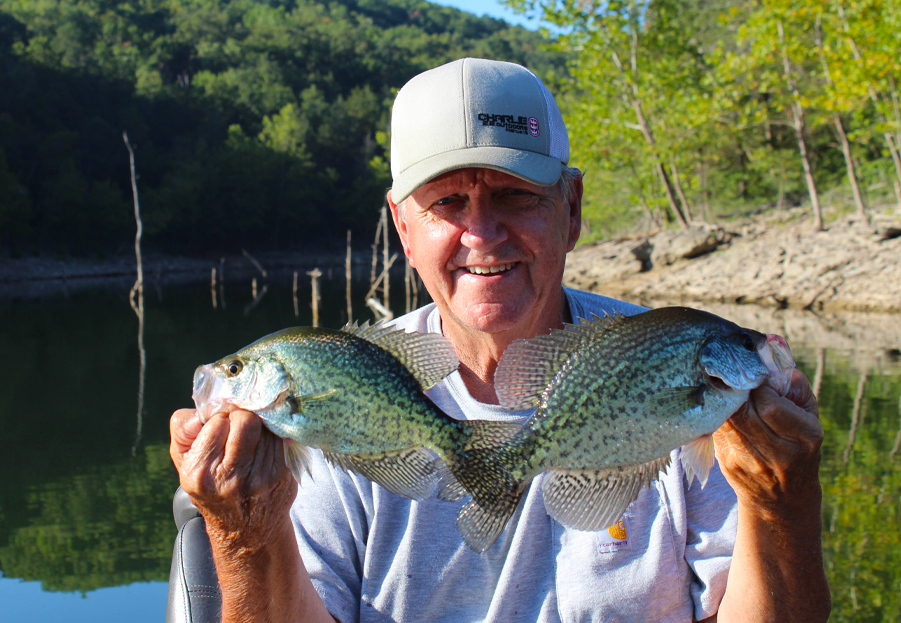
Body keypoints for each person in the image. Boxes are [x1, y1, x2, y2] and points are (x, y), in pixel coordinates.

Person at [169, 58, 830, 622]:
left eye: (515, 195)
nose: (482, 234)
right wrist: (244, 532)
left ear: (571, 209)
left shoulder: (680, 367)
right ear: (403, 227)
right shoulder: (346, 389)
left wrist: (783, 503)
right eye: (448, 204)